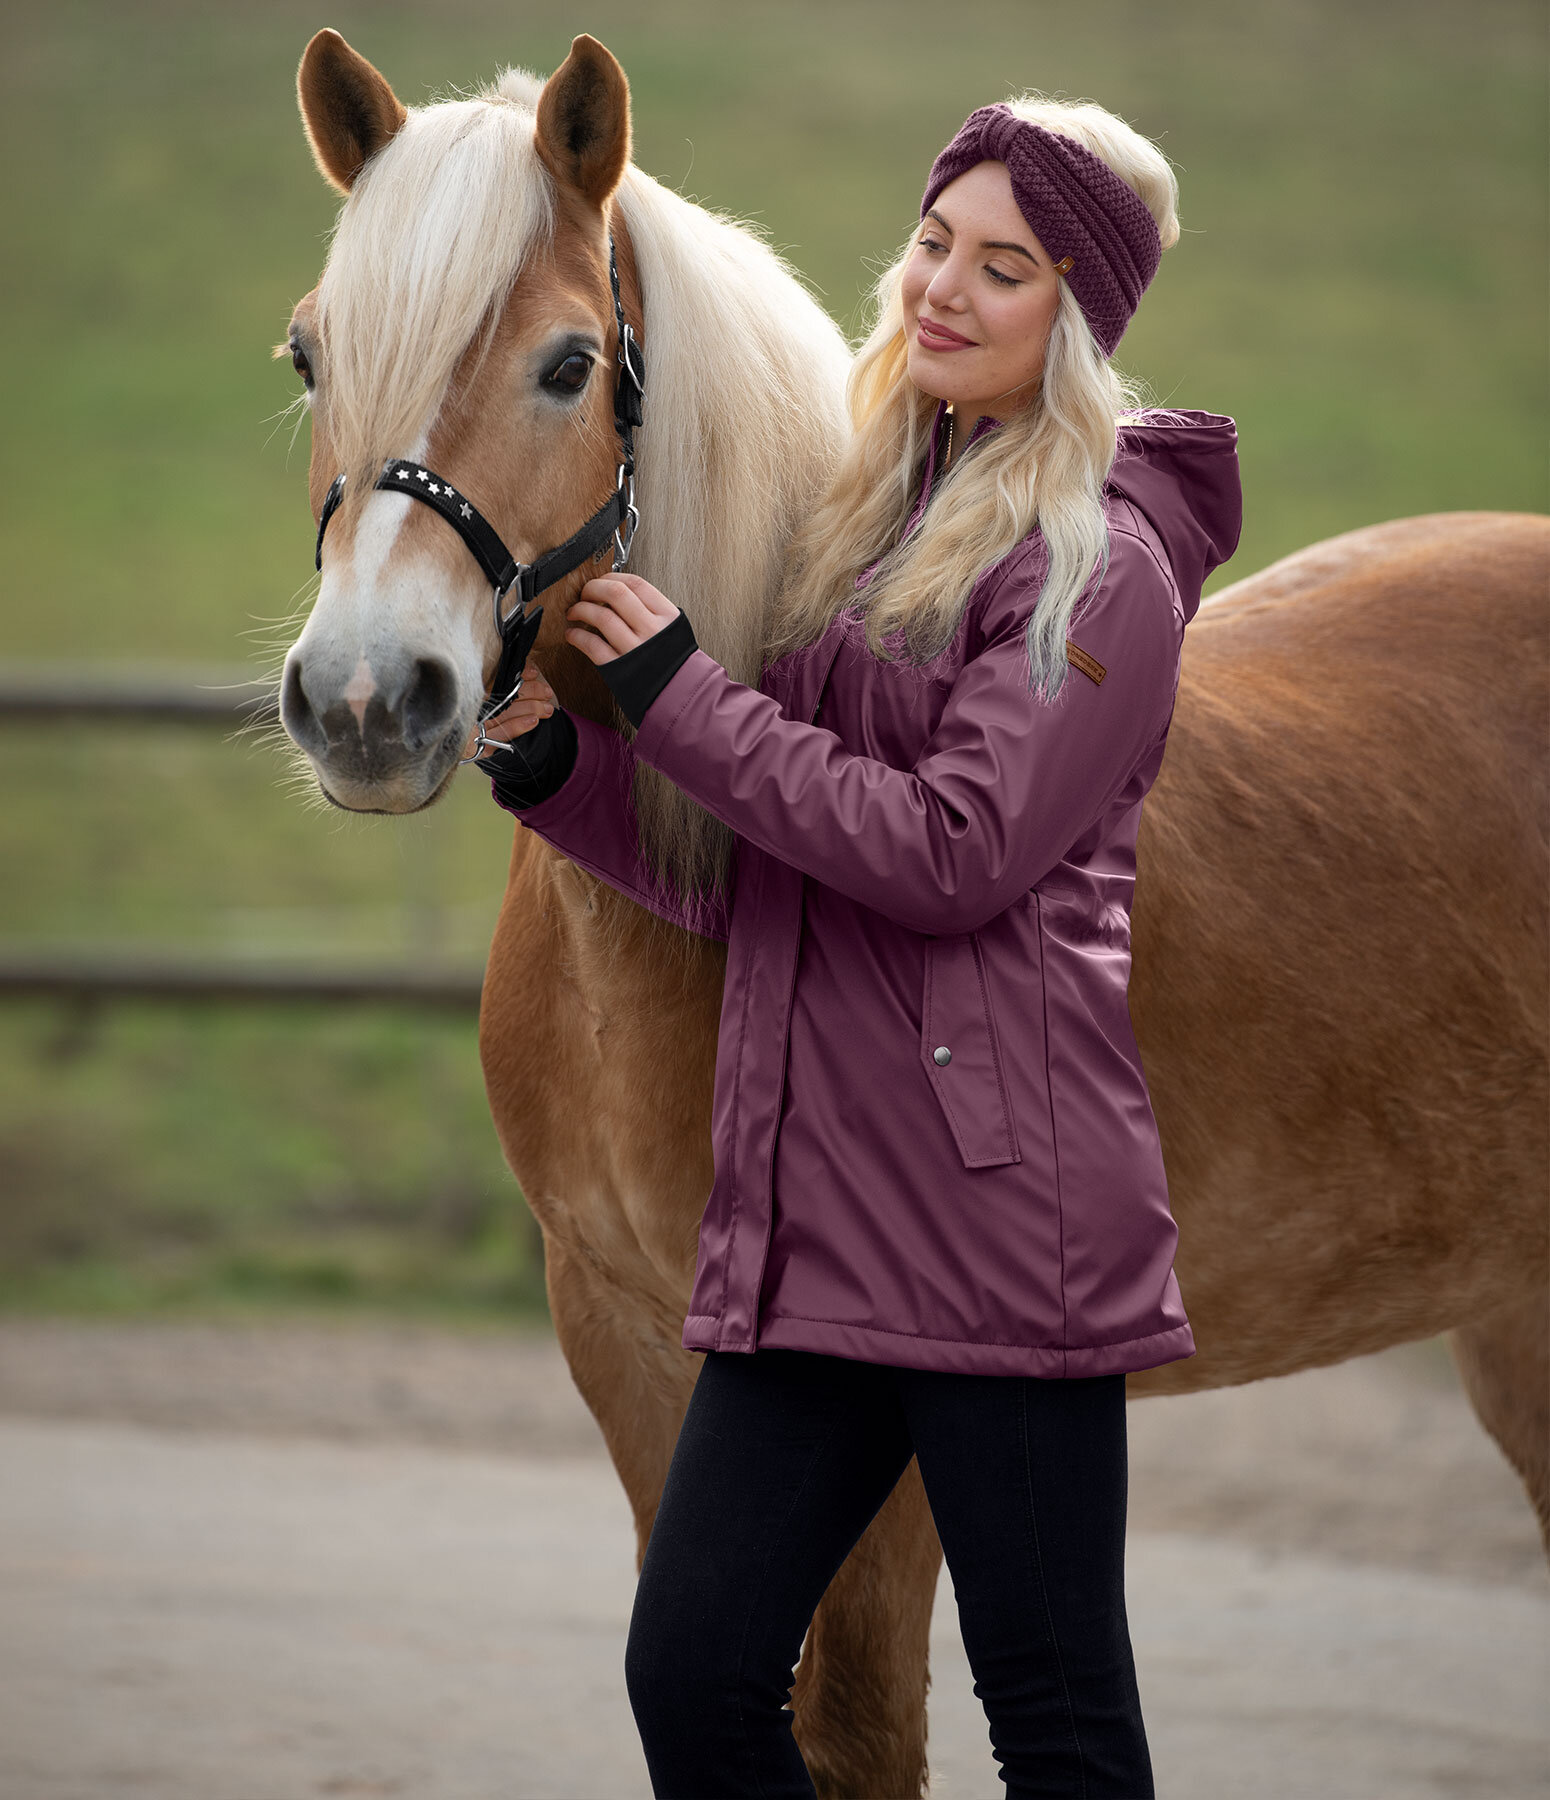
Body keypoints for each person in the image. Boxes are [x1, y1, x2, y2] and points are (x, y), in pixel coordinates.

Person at [472, 93, 1241, 1800]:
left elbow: (950, 859)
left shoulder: (1096, 570)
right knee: (691, 1676)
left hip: (993, 1240)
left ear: (1078, 316)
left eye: (1006, 267)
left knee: (1052, 1716)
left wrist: (678, 697)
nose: (941, 292)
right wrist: (568, 776)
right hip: (813, 1236)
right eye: (930, 244)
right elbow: (781, 883)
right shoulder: (868, 525)